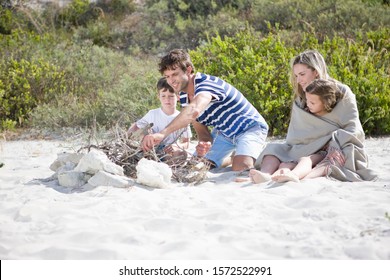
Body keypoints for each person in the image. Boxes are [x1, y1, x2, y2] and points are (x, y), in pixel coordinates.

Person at [248, 49, 377, 183]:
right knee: (273, 149)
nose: (298, 80)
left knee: (306, 160)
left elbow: (353, 130)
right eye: (296, 75)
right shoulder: (301, 98)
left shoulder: (342, 92)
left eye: (302, 74)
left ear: (316, 72)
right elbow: (296, 134)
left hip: (329, 148)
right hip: (304, 146)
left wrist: (329, 143)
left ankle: (290, 172)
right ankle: (265, 175)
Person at [142, 49, 269, 171]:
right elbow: (203, 133)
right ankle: (230, 159)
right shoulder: (185, 97)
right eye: (167, 76)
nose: (171, 81)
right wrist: (204, 145)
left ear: (188, 70)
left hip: (250, 128)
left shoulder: (206, 84)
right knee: (195, 165)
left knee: (241, 167)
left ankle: (254, 153)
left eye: (175, 74)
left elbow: (194, 111)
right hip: (224, 133)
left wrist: (163, 133)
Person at [128, 77, 192, 159]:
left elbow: (187, 142)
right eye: (163, 96)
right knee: (143, 139)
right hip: (152, 149)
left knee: (182, 154)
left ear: (178, 96)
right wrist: (127, 137)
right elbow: (137, 126)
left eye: (171, 96)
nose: (167, 99)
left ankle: (166, 166)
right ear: (158, 96)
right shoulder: (153, 114)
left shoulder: (183, 118)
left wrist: (177, 146)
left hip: (169, 151)